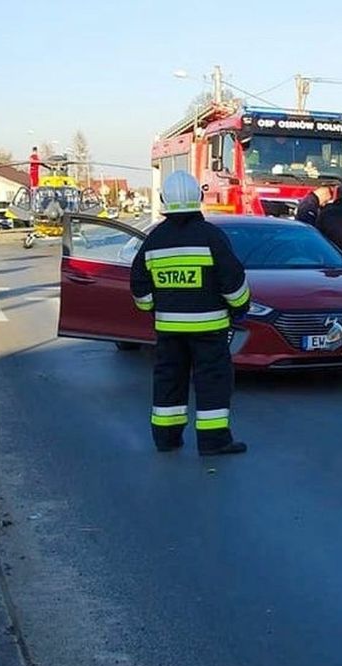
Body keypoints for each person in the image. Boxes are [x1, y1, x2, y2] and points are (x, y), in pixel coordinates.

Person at [130, 170, 250, 456]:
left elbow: (139, 286)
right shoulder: (212, 237)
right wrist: (239, 308)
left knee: (169, 381)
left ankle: (166, 439)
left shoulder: (154, 240)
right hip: (210, 330)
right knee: (212, 383)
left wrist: (153, 309)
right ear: (198, 197)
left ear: (164, 200)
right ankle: (213, 442)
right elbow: (233, 281)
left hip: (169, 331)